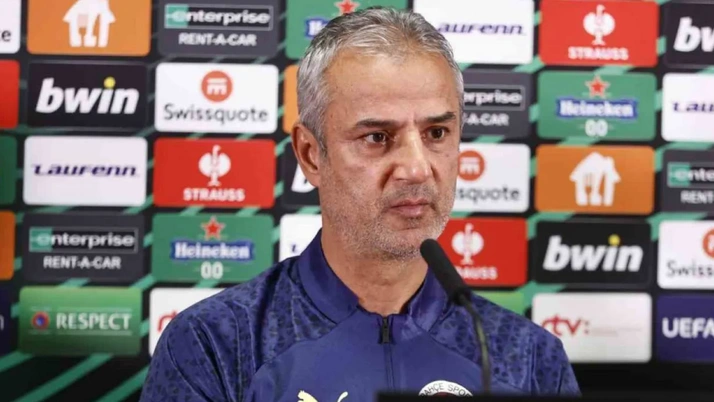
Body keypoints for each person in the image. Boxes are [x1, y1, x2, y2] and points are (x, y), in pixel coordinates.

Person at [140, 7, 580, 401]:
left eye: (437, 134)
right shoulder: (215, 343)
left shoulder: (527, 357)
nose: (416, 168)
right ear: (311, 154)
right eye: (377, 137)